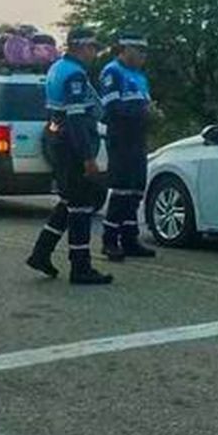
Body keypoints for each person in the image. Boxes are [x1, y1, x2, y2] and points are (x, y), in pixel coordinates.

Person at [26, 27, 113, 285]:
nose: (95, 53)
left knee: (68, 201)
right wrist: (87, 157)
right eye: (92, 47)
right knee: (81, 206)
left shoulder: (57, 67)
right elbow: (76, 120)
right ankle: (80, 266)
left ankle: (41, 253)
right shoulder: (74, 74)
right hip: (72, 145)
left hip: (57, 139)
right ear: (80, 47)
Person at [97, 32, 157, 261]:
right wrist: (142, 112)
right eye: (139, 50)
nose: (143, 55)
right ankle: (110, 240)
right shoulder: (113, 72)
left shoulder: (139, 75)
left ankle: (130, 238)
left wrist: (152, 113)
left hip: (138, 137)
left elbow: (144, 103)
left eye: (145, 51)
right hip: (121, 138)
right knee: (122, 189)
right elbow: (112, 108)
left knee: (136, 190)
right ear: (125, 49)